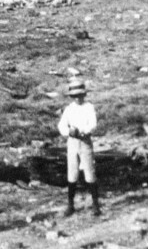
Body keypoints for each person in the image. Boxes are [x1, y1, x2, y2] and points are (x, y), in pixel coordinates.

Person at [57, 79, 100, 217]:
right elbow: (61, 126)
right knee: (72, 173)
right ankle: (70, 205)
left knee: (89, 172)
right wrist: (69, 132)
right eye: (74, 96)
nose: (77, 98)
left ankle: (95, 205)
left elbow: (93, 124)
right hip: (72, 142)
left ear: (84, 94)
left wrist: (82, 131)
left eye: (80, 95)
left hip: (85, 141)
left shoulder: (89, 107)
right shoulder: (69, 109)